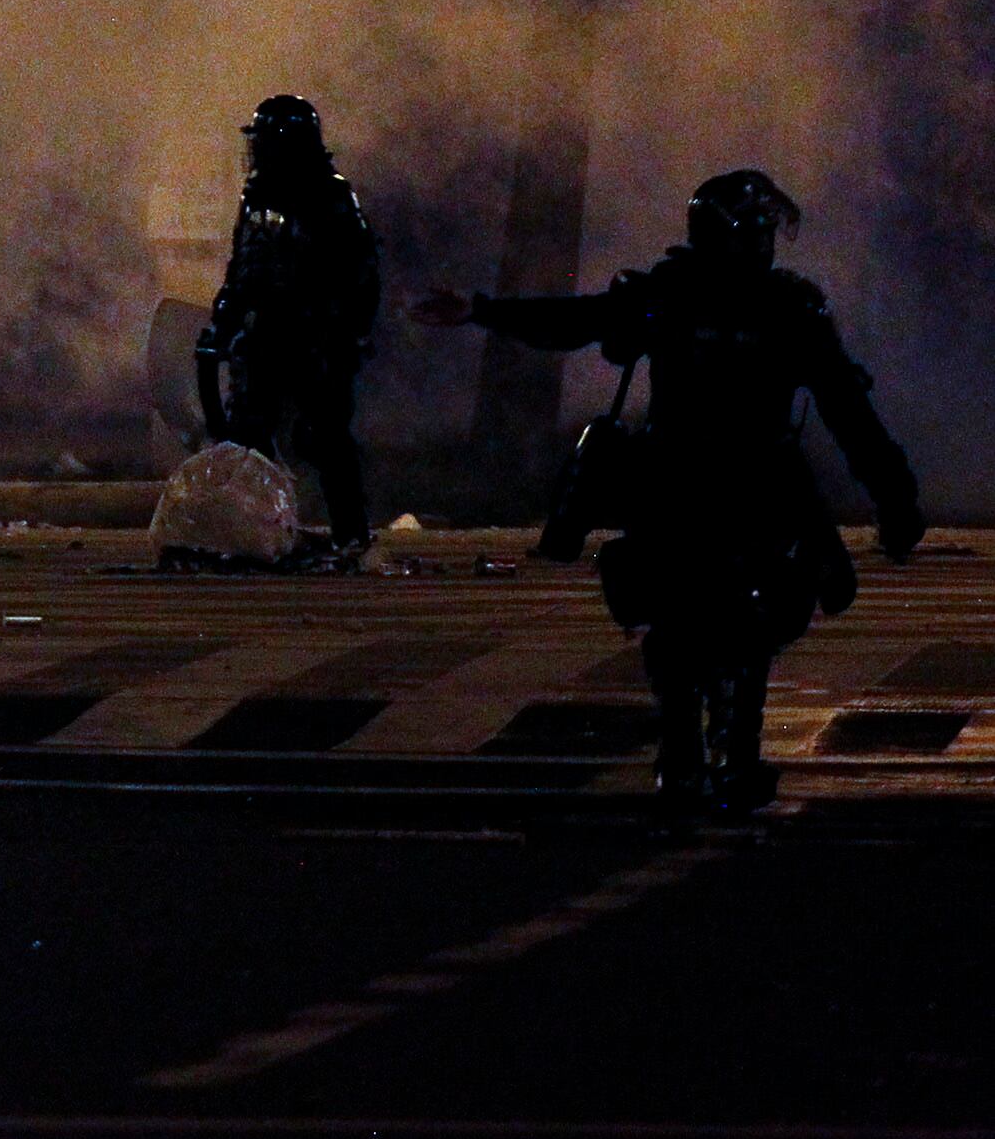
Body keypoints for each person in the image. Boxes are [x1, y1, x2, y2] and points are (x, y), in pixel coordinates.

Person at [414, 169, 923, 813]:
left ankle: (720, 750)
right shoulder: (693, 296)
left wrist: (894, 499)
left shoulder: (772, 305)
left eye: (765, 231)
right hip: (689, 477)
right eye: (749, 230)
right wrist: (483, 311)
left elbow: (848, 410)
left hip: (748, 479)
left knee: (792, 591)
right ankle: (694, 751)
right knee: (677, 609)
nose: (761, 243)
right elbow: (580, 319)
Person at [196, 94, 382, 558]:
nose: (257, 151)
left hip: (317, 335)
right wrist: (223, 320)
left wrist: (346, 334)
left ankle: (351, 533)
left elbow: (360, 271)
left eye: (265, 141)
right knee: (247, 436)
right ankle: (251, 531)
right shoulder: (257, 196)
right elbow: (243, 265)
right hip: (267, 334)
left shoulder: (330, 196)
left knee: (326, 437)